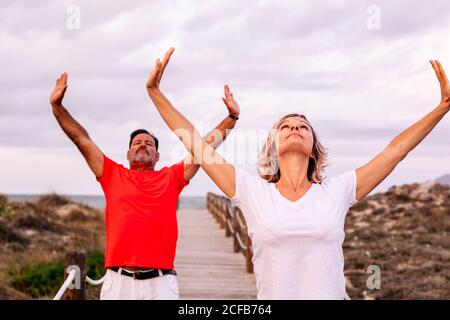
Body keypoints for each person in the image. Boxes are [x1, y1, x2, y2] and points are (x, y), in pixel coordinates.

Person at [147, 47, 450, 299]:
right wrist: (155, 93)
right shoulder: (253, 192)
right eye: (286, 126)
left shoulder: (337, 190)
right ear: (273, 146)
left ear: (314, 148)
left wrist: (442, 107)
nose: (295, 127)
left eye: (303, 126)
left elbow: (394, 152)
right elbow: (196, 144)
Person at [49, 71, 240, 300]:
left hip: (160, 283)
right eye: (137, 143)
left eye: (148, 144)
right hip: (118, 282)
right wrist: (57, 107)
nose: (143, 145)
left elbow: (204, 147)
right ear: (128, 153)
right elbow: (82, 139)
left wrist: (231, 118)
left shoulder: (172, 177)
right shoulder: (111, 174)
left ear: (157, 156)